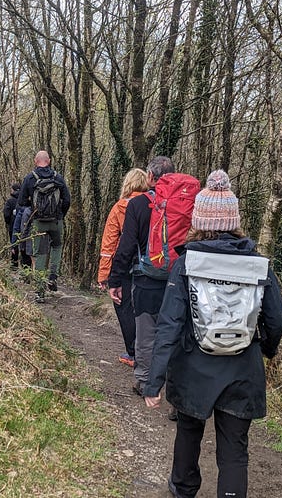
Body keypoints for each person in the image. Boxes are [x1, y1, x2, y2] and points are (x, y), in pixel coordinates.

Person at [143, 170, 282, 498]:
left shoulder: (187, 265)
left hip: (193, 367)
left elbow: (169, 325)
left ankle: (182, 489)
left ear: (198, 220)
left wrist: (154, 381)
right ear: (234, 221)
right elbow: (277, 320)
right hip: (242, 368)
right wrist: (263, 348)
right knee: (234, 452)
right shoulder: (259, 266)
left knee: (189, 434)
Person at [108, 156, 178, 396]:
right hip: (178, 279)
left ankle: (145, 381)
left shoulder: (137, 205)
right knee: (175, 331)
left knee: (146, 331)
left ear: (150, 176)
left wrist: (115, 279)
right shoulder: (184, 204)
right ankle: (176, 388)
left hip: (146, 278)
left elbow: (126, 246)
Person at [97, 168, 149, 367]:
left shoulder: (120, 207)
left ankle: (133, 353)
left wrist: (104, 274)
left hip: (125, 264)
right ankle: (148, 352)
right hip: (151, 264)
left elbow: (109, 245)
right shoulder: (154, 205)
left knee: (124, 306)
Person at [18, 150, 71, 293]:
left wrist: (34, 208)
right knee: (57, 246)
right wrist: (60, 214)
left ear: (36, 161)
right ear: (49, 161)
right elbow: (67, 200)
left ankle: (39, 291)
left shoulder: (30, 178)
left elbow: (21, 201)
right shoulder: (58, 178)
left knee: (40, 253)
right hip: (56, 221)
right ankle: (53, 276)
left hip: (38, 221)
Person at [3, 182, 22, 269]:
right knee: (24, 245)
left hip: (12, 226)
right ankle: (26, 266)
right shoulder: (24, 201)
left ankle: (14, 264)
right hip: (24, 226)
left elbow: (6, 214)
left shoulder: (10, 201)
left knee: (14, 244)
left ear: (13, 190)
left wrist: (8, 222)